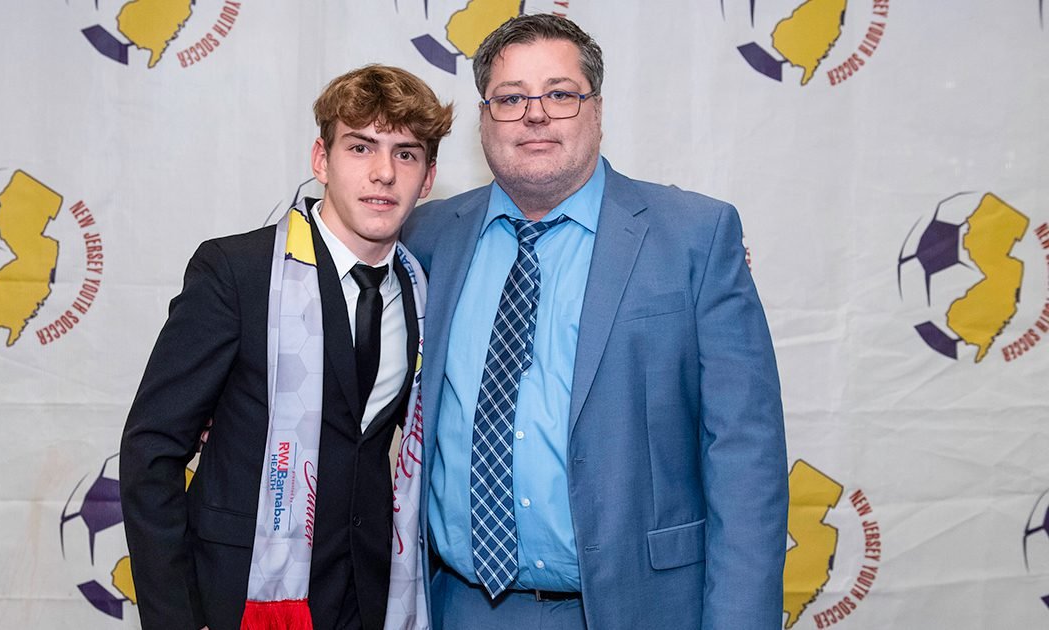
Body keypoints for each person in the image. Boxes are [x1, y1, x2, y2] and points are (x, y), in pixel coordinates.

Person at [402, 14, 787, 630]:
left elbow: (745, 455)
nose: (535, 114)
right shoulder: (423, 237)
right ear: (483, 119)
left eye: (559, 94)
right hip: (454, 605)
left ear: (597, 111)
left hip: (636, 608)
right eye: (510, 98)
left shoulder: (694, 236)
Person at [120, 65, 452, 630]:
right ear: (321, 159)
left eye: (405, 154)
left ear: (427, 178)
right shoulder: (237, 273)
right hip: (238, 597)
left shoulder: (423, 290)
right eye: (360, 146)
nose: (382, 173)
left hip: (370, 597)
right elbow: (151, 451)